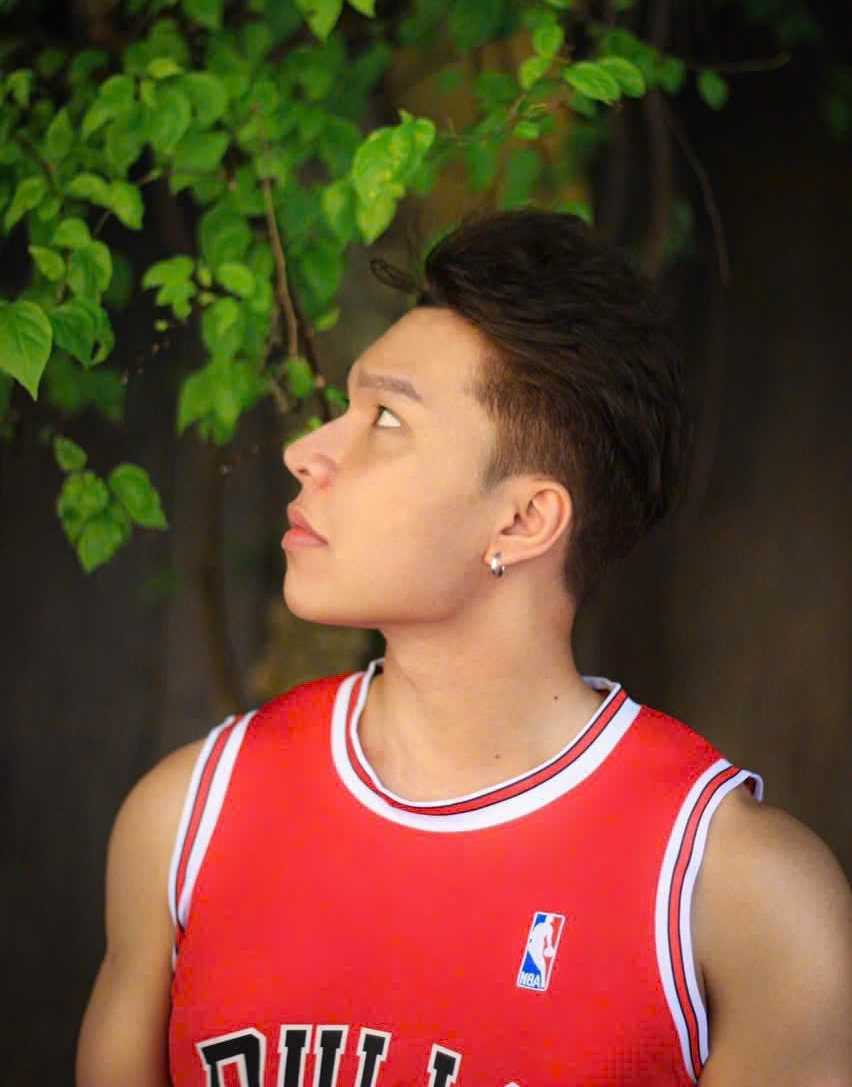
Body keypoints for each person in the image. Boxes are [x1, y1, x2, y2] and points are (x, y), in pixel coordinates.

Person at [77, 210, 852, 1087]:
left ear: (523, 520)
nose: (306, 452)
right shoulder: (185, 820)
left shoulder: (743, 897)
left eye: (386, 420)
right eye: (346, 408)